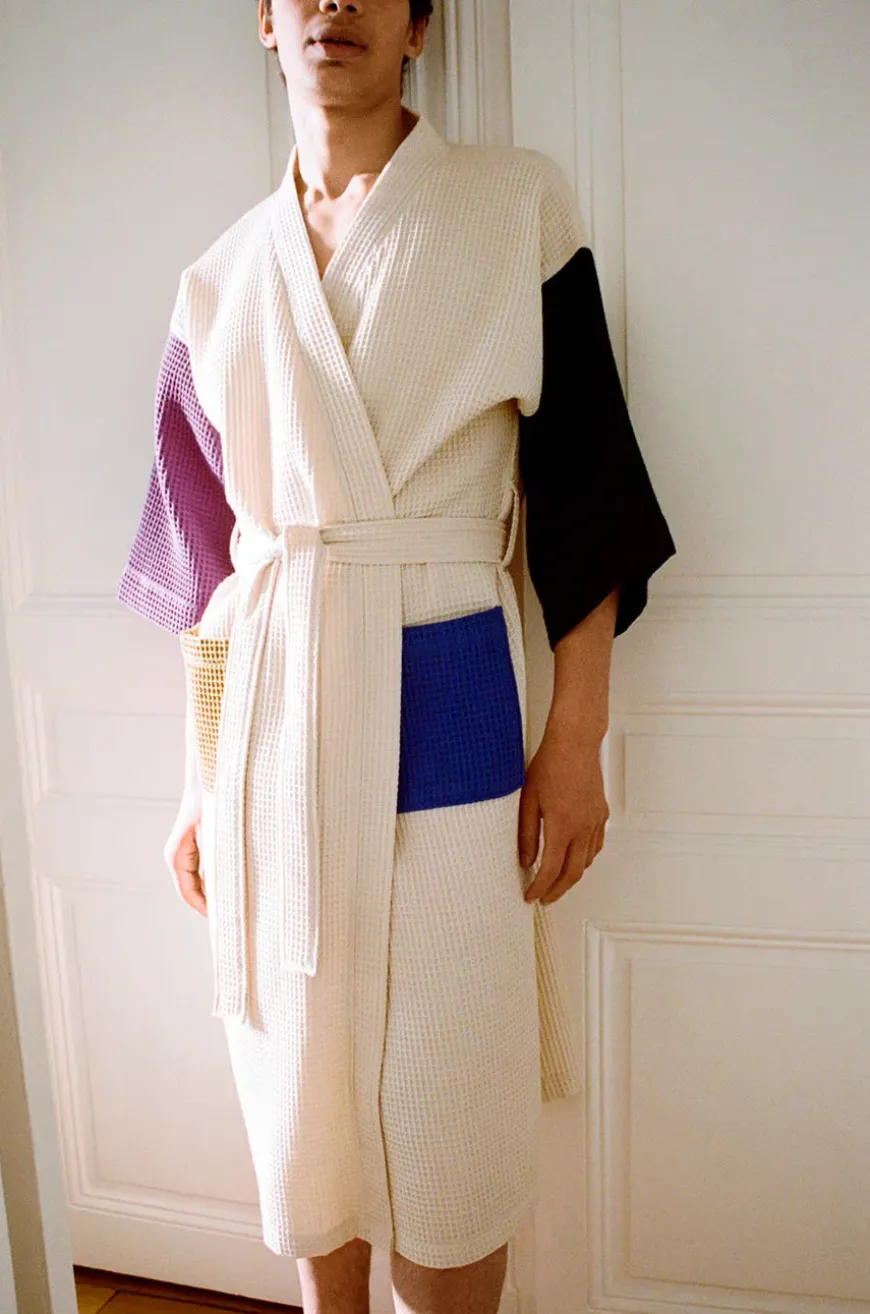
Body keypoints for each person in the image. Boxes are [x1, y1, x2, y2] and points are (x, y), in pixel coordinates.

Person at [116, 0, 676, 1309]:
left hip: (452, 705)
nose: (335, 4)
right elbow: (205, 576)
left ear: (419, 27)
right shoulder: (218, 279)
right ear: (265, 21)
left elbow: (583, 490)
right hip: (275, 733)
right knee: (301, 1088)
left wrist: (577, 738)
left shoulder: (514, 210)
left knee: (449, 1094)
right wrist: (200, 783)